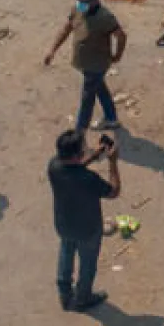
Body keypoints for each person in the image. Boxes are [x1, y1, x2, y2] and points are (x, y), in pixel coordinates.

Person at [46, 129, 120, 311]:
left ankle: (64, 293)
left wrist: (94, 155)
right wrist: (112, 162)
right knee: (88, 264)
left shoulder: (53, 166)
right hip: (88, 229)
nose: (86, 150)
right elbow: (114, 191)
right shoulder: (88, 179)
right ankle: (83, 297)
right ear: (75, 155)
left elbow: (74, 166)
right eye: (83, 149)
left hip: (63, 224)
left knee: (66, 252)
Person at [43, 0, 127, 132]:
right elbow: (66, 29)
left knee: (87, 98)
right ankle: (111, 118)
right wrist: (52, 50)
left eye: (85, 1)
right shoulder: (77, 9)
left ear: (95, 0)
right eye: (79, 0)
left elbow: (121, 36)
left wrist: (117, 55)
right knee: (100, 88)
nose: (81, 3)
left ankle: (79, 132)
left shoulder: (105, 17)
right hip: (84, 62)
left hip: (97, 64)